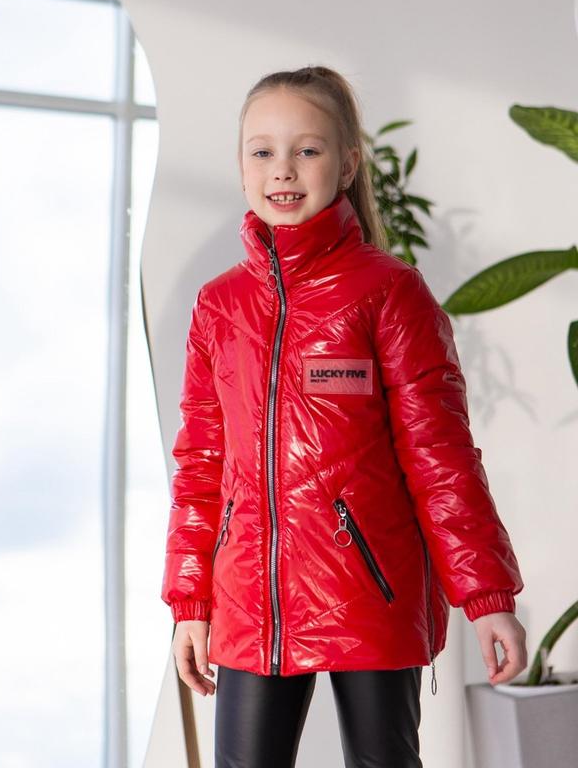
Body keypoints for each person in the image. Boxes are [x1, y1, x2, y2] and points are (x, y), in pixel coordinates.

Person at [160, 65, 528, 768]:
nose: (283, 169)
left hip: (371, 586)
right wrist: (189, 602)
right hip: (248, 594)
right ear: (241, 166)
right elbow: (201, 463)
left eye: (308, 149)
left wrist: (487, 595)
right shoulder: (219, 306)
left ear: (348, 162)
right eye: (263, 151)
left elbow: (440, 455)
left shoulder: (390, 293)